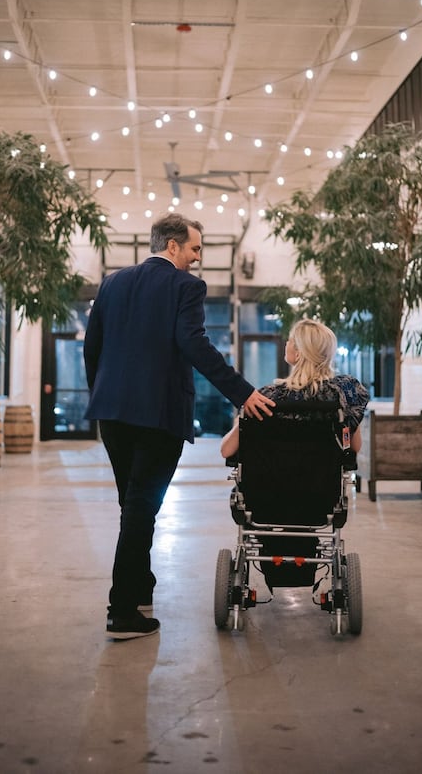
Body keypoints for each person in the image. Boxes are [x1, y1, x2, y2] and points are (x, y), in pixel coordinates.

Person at [84, 212, 275, 640]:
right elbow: (194, 344)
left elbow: (92, 347)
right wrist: (242, 393)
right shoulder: (185, 286)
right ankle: (120, 611)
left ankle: (140, 588)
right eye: (194, 249)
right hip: (158, 416)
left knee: (132, 506)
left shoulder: (112, 283)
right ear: (172, 246)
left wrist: (102, 394)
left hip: (112, 415)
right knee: (140, 508)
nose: (197, 258)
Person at [221, 318, 369, 459]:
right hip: (322, 482)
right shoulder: (343, 394)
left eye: (290, 340)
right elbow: (353, 446)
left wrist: (239, 422)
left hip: (271, 482)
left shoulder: (266, 397)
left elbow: (227, 451)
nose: (286, 343)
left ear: (298, 353)